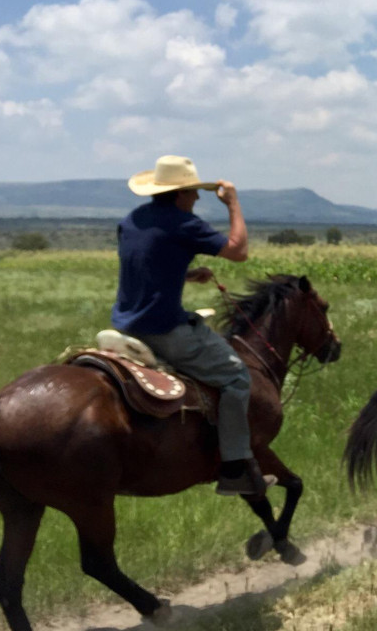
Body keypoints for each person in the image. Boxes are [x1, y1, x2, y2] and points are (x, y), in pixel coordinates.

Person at [111, 155, 272, 497]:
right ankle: (234, 468)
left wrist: (183, 275)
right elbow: (239, 250)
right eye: (193, 191)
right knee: (236, 377)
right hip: (165, 331)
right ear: (180, 194)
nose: (197, 197)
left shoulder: (131, 220)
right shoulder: (183, 222)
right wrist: (233, 203)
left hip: (125, 328)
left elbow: (145, 263)